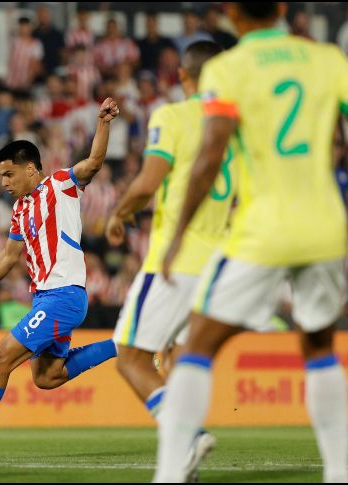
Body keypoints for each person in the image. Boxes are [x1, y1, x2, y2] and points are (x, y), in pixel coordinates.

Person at [155, 3, 348, 482]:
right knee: (319, 345)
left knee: (196, 345)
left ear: (230, 13)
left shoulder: (227, 69)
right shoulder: (326, 59)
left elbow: (210, 156)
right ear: (281, 8)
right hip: (326, 226)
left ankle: (168, 475)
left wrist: (177, 235)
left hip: (264, 229)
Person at [0, 101, 121, 459]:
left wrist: (103, 123)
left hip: (64, 295)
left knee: (0, 359)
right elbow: (8, 256)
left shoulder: (61, 185)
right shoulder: (20, 209)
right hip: (45, 298)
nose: (4, 183)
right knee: (47, 377)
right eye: (1, 176)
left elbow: (93, 162)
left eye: (9, 174)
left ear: (31, 169)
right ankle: (124, 344)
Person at [105, 40, 232, 482]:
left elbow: (148, 182)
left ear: (182, 75)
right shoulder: (236, 125)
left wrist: (119, 213)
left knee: (131, 357)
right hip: (221, 265)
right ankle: (180, 465)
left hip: (176, 261)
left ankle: (187, 438)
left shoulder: (172, 116)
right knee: (177, 360)